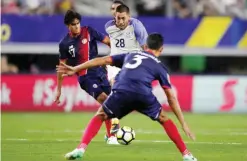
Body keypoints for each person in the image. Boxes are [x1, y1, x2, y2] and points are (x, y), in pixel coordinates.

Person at [57, 33, 198, 161]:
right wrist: (183, 123)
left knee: (100, 115)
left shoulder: (130, 55)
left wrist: (76, 68)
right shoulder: (160, 67)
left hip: (121, 90)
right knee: (164, 118)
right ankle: (187, 155)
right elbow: (171, 98)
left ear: (145, 46)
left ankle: (81, 148)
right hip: (143, 94)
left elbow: (103, 60)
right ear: (161, 49)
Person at [54, 9, 119, 145]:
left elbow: (108, 41)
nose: (77, 26)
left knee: (111, 103)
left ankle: (109, 136)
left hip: (100, 71)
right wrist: (59, 89)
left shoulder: (89, 31)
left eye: (78, 23)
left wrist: (118, 54)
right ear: (68, 26)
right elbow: (61, 68)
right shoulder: (64, 44)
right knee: (105, 100)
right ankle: (112, 136)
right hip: (85, 77)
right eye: (73, 24)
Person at [104, 2, 149, 142]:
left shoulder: (136, 26)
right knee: (114, 85)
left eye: (123, 17)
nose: (119, 20)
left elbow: (145, 47)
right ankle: (115, 122)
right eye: (113, 11)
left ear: (128, 16)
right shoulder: (108, 26)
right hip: (115, 64)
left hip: (132, 64)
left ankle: (117, 116)